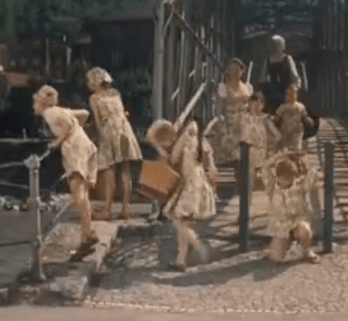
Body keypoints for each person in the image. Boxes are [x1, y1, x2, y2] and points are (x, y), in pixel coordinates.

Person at [32, 85, 99, 260]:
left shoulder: (49, 113)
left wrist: (58, 142)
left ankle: (87, 237)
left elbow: (68, 125)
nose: (33, 105)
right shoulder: (61, 110)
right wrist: (78, 131)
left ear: (42, 102)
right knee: (83, 192)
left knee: (78, 193)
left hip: (75, 149)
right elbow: (84, 114)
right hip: (87, 146)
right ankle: (87, 234)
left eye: (35, 101)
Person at [145, 117, 219, 271]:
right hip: (197, 182)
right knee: (184, 222)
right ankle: (181, 260)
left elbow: (173, 158)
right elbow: (208, 154)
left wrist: (161, 150)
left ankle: (198, 245)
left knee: (178, 221)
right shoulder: (197, 138)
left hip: (189, 185)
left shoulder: (184, 139)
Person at [86, 67, 143, 221]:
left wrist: (99, 139)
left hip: (109, 131)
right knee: (125, 170)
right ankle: (125, 209)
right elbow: (122, 112)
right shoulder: (116, 93)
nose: (88, 84)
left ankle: (107, 209)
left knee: (109, 171)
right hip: (124, 130)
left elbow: (98, 120)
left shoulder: (94, 98)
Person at [260, 150, 321, 264]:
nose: (287, 183)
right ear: (278, 177)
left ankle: (306, 250)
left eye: (290, 180)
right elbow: (265, 168)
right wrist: (279, 156)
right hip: (282, 227)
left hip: (297, 221)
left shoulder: (299, 186)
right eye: (284, 180)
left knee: (305, 230)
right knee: (276, 258)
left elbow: (312, 173)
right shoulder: (271, 187)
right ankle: (284, 245)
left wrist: (306, 162)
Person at [213, 59, 254, 182]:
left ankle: (245, 178)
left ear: (242, 71)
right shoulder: (223, 88)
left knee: (247, 150)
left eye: (237, 69)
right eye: (232, 69)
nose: (235, 72)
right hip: (230, 123)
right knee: (230, 149)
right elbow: (219, 110)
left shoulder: (247, 88)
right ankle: (233, 175)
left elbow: (251, 107)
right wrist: (220, 123)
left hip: (244, 122)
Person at [242, 92, 281, 191]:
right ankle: (248, 194)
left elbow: (277, 136)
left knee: (268, 177)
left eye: (258, 104)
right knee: (248, 179)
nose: (255, 107)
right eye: (253, 104)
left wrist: (271, 148)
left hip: (262, 151)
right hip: (249, 152)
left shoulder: (265, 119)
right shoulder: (244, 118)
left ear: (262, 105)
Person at [260, 35, 301, 113]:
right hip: (274, 90)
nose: (275, 48)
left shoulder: (287, 59)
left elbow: (294, 75)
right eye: (273, 45)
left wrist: (296, 85)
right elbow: (263, 77)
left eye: (276, 45)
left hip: (286, 88)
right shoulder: (268, 60)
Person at [274, 83, 314, 151]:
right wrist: (273, 120)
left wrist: (309, 120)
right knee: (285, 150)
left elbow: (305, 117)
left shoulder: (301, 106)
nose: (293, 95)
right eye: (290, 94)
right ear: (287, 95)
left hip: (296, 132)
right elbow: (276, 118)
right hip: (285, 132)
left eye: (294, 93)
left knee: (296, 149)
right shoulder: (283, 107)